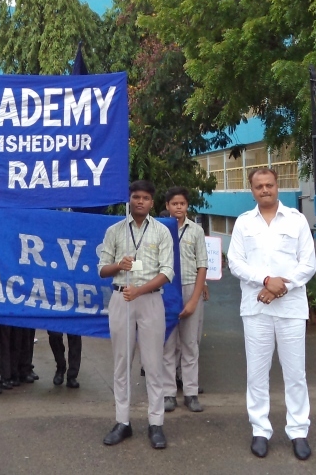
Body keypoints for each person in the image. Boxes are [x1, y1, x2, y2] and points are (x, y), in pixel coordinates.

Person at [228, 167, 316, 462]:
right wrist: (266, 280)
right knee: (256, 373)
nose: (264, 190)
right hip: (256, 309)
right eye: (258, 186)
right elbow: (235, 263)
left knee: (295, 374)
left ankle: (298, 431)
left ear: (278, 186)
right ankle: (260, 430)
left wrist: (279, 288)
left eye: (269, 185)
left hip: (290, 309)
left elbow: (308, 264)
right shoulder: (243, 223)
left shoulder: (296, 220)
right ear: (251, 190)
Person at [98, 180, 174, 450]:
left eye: (145, 198)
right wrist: (119, 265)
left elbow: (167, 272)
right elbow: (102, 270)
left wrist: (140, 290)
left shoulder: (162, 232)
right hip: (121, 299)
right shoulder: (115, 231)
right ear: (129, 200)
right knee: (121, 363)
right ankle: (123, 422)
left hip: (150, 299)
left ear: (152, 202)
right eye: (135, 197)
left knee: (154, 364)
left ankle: (156, 424)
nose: (140, 201)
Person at [161, 187, 208, 413]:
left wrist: (194, 299)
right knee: (168, 344)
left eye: (182, 203)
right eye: (174, 204)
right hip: (166, 289)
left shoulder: (196, 231)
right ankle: (169, 393)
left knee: (190, 344)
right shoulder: (159, 230)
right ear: (167, 206)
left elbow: (202, 265)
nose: (178, 207)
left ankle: (190, 393)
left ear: (187, 206)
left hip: (190, 287)